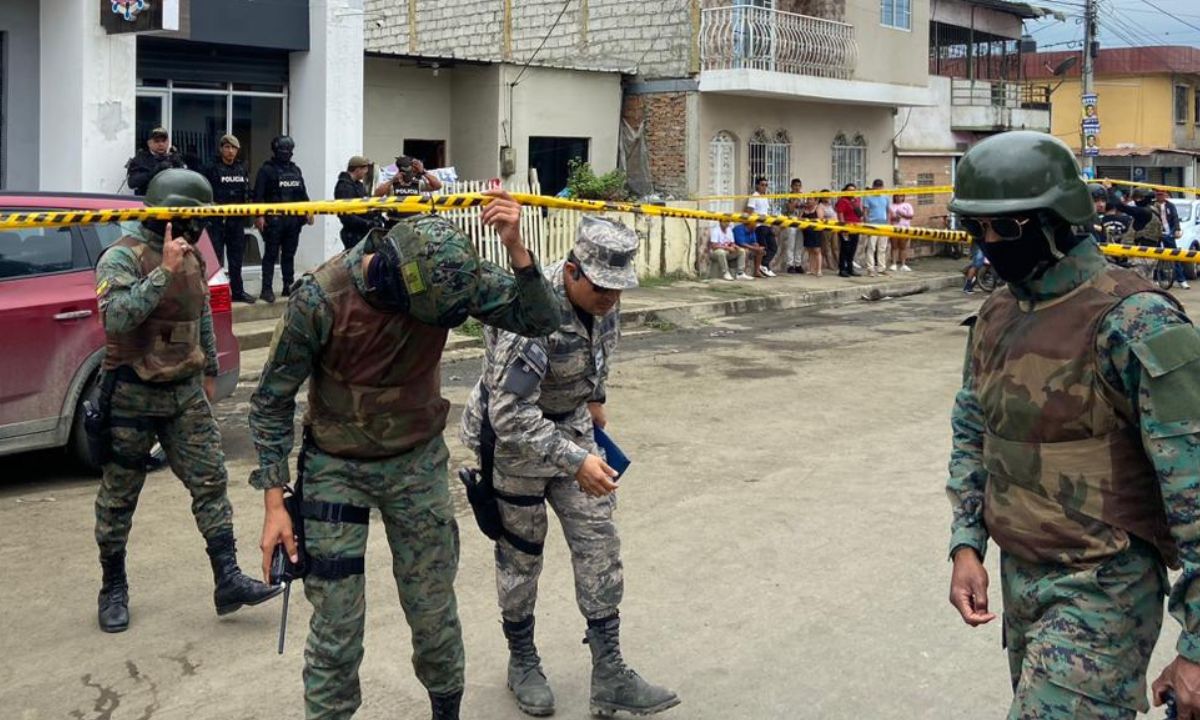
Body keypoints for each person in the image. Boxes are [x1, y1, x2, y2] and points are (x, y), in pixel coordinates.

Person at [250, 190, 561, 720]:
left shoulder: (450, 277)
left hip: (415, 463)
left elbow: (540, 318)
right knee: (336, 629)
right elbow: (270, 402)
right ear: (392, 279)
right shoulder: (320, 300)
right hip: (336, 470)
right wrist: (276, 503)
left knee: (433, 611)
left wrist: (518, 252)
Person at [944, 130, 1200, 720]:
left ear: (1061, 222)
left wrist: (1196, 645)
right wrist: (966, 544)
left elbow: (1193, 487)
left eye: (1004, 229)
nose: (987, 243)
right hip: (1023, 581)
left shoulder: (1136, 322)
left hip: (1104, 586)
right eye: (976, 228)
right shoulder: (998, 313)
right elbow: (973, 433)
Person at [459, 216, 681, 718]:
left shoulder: (605, 301)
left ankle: (610, 673)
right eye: (602, 288)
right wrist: (575, 458)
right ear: (573, 272)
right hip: (514, 443)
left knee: (599, 539)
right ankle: (522, 661)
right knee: (521, 556)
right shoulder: (532, 313)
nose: (611, 299)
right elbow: (509, 412)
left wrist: (595, 397)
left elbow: (602, 350)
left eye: (619, 289)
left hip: (572, 425)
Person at [92, 169, 282, 634]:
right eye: (191, 217)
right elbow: (117, 317)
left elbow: (198, 316)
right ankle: (113, 587)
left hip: (183, 393)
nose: (198, 227)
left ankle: (227, 580)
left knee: (211, 481)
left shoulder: (193, 256)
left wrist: (211, 369)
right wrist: (163, 272)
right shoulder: (120, 256)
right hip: (132, 393)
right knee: (119, 497)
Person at [253, 135, 314, 303]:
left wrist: (309, 211)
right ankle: (267, 289)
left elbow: (302, 193)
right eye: (283, 150)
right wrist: (259, 216)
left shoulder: (295, 170)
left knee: (289, 254)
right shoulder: (266, 170)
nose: (286, 153)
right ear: (276, 150)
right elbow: (257, 195)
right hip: (274, 220)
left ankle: (288, 285)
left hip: (293, 220)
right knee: (271, 255)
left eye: (289, 151)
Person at [203, 134, 255, 303]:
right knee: (215, 259)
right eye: (227, 147)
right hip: (217, 221)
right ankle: (214, 294)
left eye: (233, 148)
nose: (230, 151)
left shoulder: (241, 168)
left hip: (236, 221)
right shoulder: (211, 168)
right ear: (221, 149)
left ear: (238, 150)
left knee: (236, 259)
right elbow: (205, 194)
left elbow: (246, 192)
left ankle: (238, 292)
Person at [333, 156, 383, 251]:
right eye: (365, 169)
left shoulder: (358, 185)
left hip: (362, 232)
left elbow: (365, 205)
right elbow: (346, 215)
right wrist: (367, 223)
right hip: (353, 234)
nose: (366, 172)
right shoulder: (344, 187)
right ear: (357, 169)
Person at [125, 127, 186, 196]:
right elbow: (132, 183)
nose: (161, 144)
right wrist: (154, 171)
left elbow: (187, 181)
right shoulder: (140, 159)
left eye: (163, 141)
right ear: (149, 143)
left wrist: (179, 166)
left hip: (171, 202)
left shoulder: (174, 157)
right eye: (157, 141)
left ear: (168, 142)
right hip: (148, 201)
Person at [1155, 189, 1189, 289]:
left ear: (1165, 195)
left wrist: (1177, 229)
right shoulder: (1152, 206)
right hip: (1156, 234)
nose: (1160, 196)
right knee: (1156, 256)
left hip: (1168, 234)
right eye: (1158, 194)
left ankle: (1181, 280)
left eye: (1162, 194)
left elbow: (1175, 218)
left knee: (1174, 256)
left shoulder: (1170, 206)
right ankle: (1157, 278)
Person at [374, 154, 443, 198]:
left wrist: (423, 172)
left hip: (415, 218)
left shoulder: (417, 183)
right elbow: (377, 195)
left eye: (415, 172)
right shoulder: (393, 184)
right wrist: (392, 181)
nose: (414, 174)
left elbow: (438, 186)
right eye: (412, 172)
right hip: (396, 219)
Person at [747, 177, 777, 276]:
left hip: (767, 225)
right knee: (764, 247)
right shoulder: (754, 196)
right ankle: (761, 267)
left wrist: (771, 224)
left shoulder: (766, 197)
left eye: (766, 185)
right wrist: (752, 224)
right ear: (757, 185)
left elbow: (766, 212)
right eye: (762, 185)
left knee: (773, 247)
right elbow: (750, 211)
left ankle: (764, 264)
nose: (764, 187)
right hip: (759, 226)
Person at [861, 179, 891, 276]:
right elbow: (865, 212)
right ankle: (870, 269)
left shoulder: (886, 197)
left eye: (880, 187)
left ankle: (881, 268)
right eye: (876, 186)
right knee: (871, 247)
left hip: (884, 225)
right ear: (873, 187)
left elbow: (888, 211)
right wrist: (867, 225)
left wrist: (888, 224)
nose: (878, 188)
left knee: (882, 247)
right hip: (872, 224)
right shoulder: (868, 197)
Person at [834, 184, 863, 277]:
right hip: (846, 229)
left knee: (853, 249)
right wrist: (843, 228)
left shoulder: (857, 200)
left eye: (853, 190)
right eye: (849, 190)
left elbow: (860, 214)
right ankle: (842, 269)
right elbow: (840, 214)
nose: (852, 192)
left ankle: (850, 268)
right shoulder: (842, 201)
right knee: (845, 248)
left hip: (856, 228)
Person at [732, 212, 769, 278]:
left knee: (760, 251)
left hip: (748, 247)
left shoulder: (752, 230)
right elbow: (742, 244)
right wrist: (755, 248)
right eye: (755, 223)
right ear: (751, 223)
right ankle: (742, 272)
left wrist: (757, 246)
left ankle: (756, 272)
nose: (756, 225)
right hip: (737, 247)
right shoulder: (739, 229)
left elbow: (754, 242)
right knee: (746, 251)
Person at [783, 178, 805, 273]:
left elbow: (804, 209)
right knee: (791, 244)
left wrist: (801, 217)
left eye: (799, 185)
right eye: (795, 185)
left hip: (800, 220)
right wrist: (795, 199)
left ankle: (798, 264)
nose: (797, 187)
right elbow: (790, 209)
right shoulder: (788, 196)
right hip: (790, 219)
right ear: (791, 186)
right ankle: (790, 265)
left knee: (799, 243)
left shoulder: (803, 196)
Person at [888, 193, 914, 272]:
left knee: (903, 247)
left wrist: (902, 214)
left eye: (900, 196)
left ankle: (903, 264)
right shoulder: (891, 206)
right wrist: (894, 218)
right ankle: (894, 263)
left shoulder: (907, 205)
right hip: (894, 228)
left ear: (903, 197)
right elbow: (889, 217)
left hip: (904, 228)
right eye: (896, 196)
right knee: (894, 246)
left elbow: (911, 216)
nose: (898, 198)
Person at [800, 197, 824, 277]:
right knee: (810, 250)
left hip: (816, 231)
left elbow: (820, 219)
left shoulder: (818, 208)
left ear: (815, 201)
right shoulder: (804, 209)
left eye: (811, 199)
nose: (808, 201)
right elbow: (799, 219)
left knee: (817, 250)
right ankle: (811, 269)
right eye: (808, 199)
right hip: (807, 232)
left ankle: (819, 270)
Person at [818, 193, 838, 272]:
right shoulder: (820, 206)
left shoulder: (830, 205)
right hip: (826, 228)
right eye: (825, 196)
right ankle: (830, 264)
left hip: (834, 227)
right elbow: (821, 217)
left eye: (828, 196)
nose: (827, 197)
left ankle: (838, 263)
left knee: (835, 247)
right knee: (826, 247)